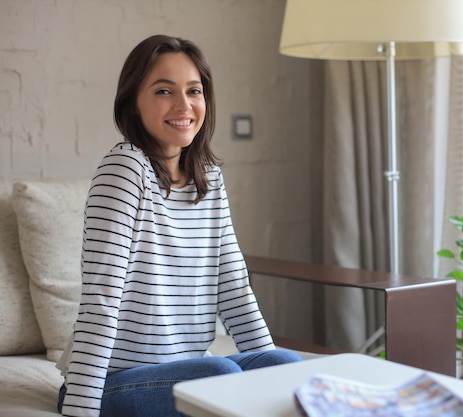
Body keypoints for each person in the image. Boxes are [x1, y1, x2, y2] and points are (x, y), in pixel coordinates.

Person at [56, 34, 302, 417]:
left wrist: (269, 377)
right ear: (133, 103)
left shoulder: (210, 178)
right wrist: (80, 410)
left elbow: (234, 291)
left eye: (194, 90)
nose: (183, 105)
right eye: (163, 91)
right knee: (218, 371)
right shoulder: (124, 169)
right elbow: (101, 300)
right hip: (113, 383)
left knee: (285, 365)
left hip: (183, 374)